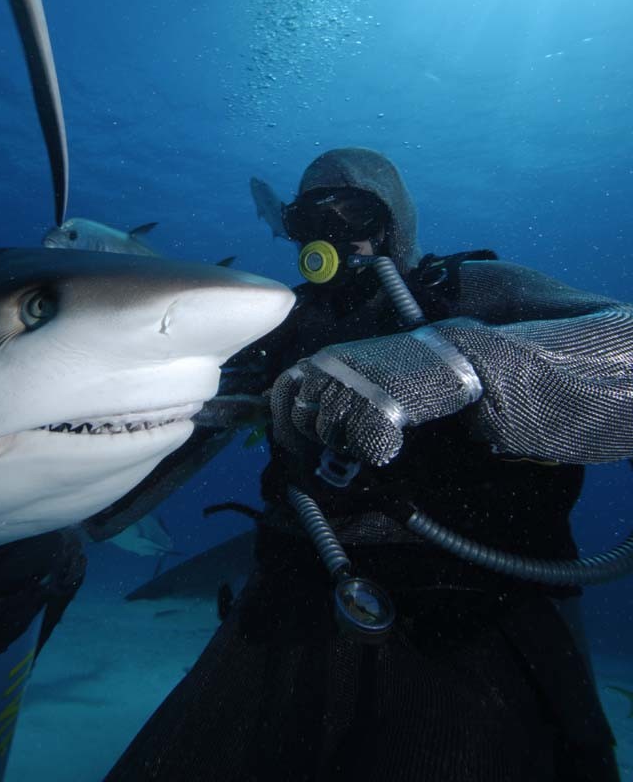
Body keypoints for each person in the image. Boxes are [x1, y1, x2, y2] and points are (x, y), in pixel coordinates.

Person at [103, 147, 633, 782]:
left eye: (351, 209)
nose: (329, 232)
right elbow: (168, 435)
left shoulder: (473, 291)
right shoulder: (279, 323)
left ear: (396, 223)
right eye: (306, 218)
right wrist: (43, 521)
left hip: (474, 618)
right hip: (285, 605)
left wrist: (458, 364)